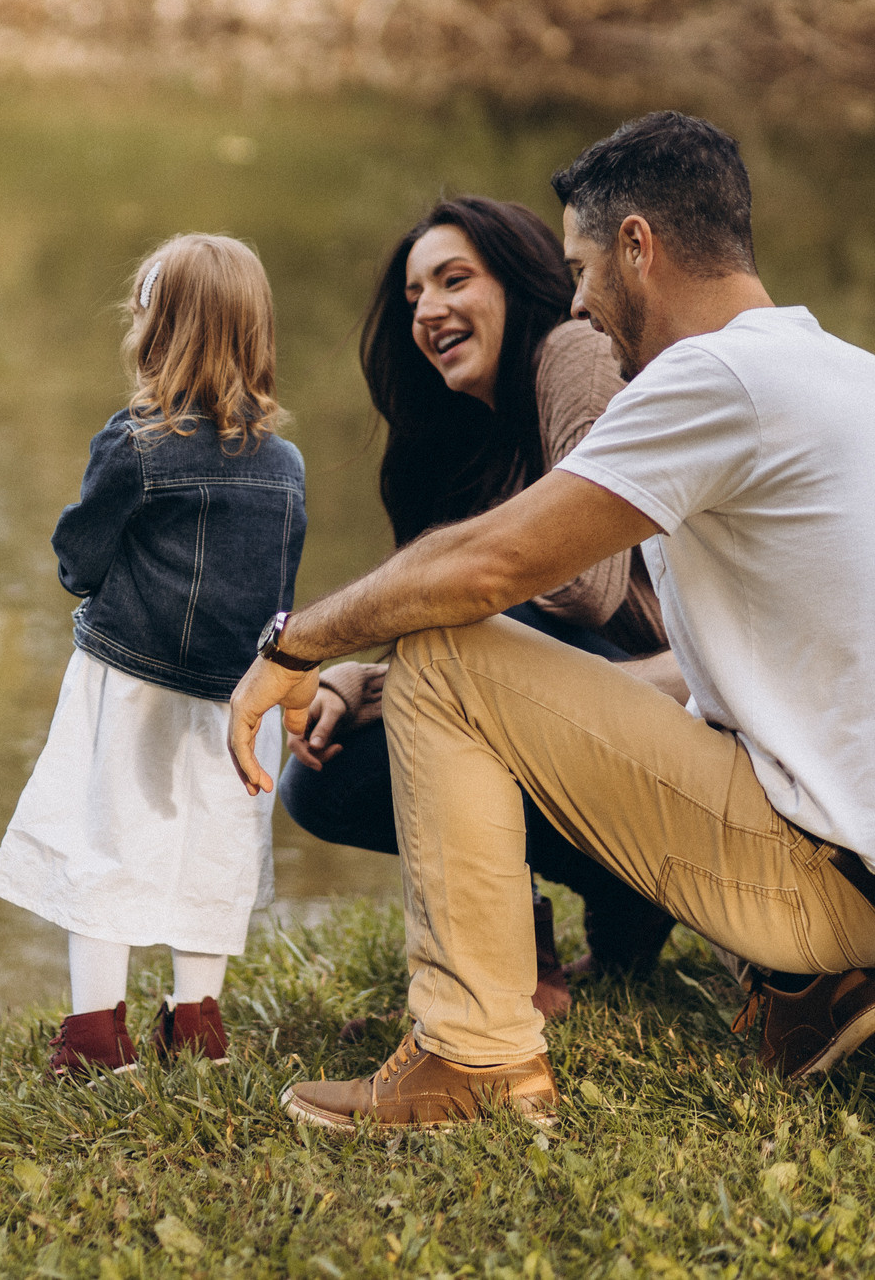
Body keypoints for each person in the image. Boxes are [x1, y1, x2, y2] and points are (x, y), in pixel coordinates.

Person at [227, 112, 875, 1130]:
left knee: (444, 650)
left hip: (819, 882)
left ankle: (475, 1059)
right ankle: (800, 993)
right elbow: (720, 669)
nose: (577, 301)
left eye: (582, 266)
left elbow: (490, 565)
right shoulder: (849, 371)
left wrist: (300, 642)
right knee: (461, 663)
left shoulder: (712, 376)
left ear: (638, 246)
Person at [276, 197, 677, 1016]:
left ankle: (625, 886)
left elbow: (584, 589)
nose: (427, 309)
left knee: (447, 667)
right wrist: (365, 674)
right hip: (558, 708)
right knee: (322, 781)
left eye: (454, 279)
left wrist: (384, 677)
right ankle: (535, 940)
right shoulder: (455, 443)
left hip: (668, 708)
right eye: (414, 296)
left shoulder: (574, 353)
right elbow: (455, 626)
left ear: (517, 279)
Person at [0, 232, 307, 1077]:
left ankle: (94, 1034)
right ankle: (194, 1021)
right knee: (216, 851)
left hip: (128, 687)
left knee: (105, 845)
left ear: (156, 331)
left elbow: (79, 555)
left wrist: (87, 577)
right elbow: (281, 591)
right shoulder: (286, 467)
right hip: (237, 700)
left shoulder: (135, 443)